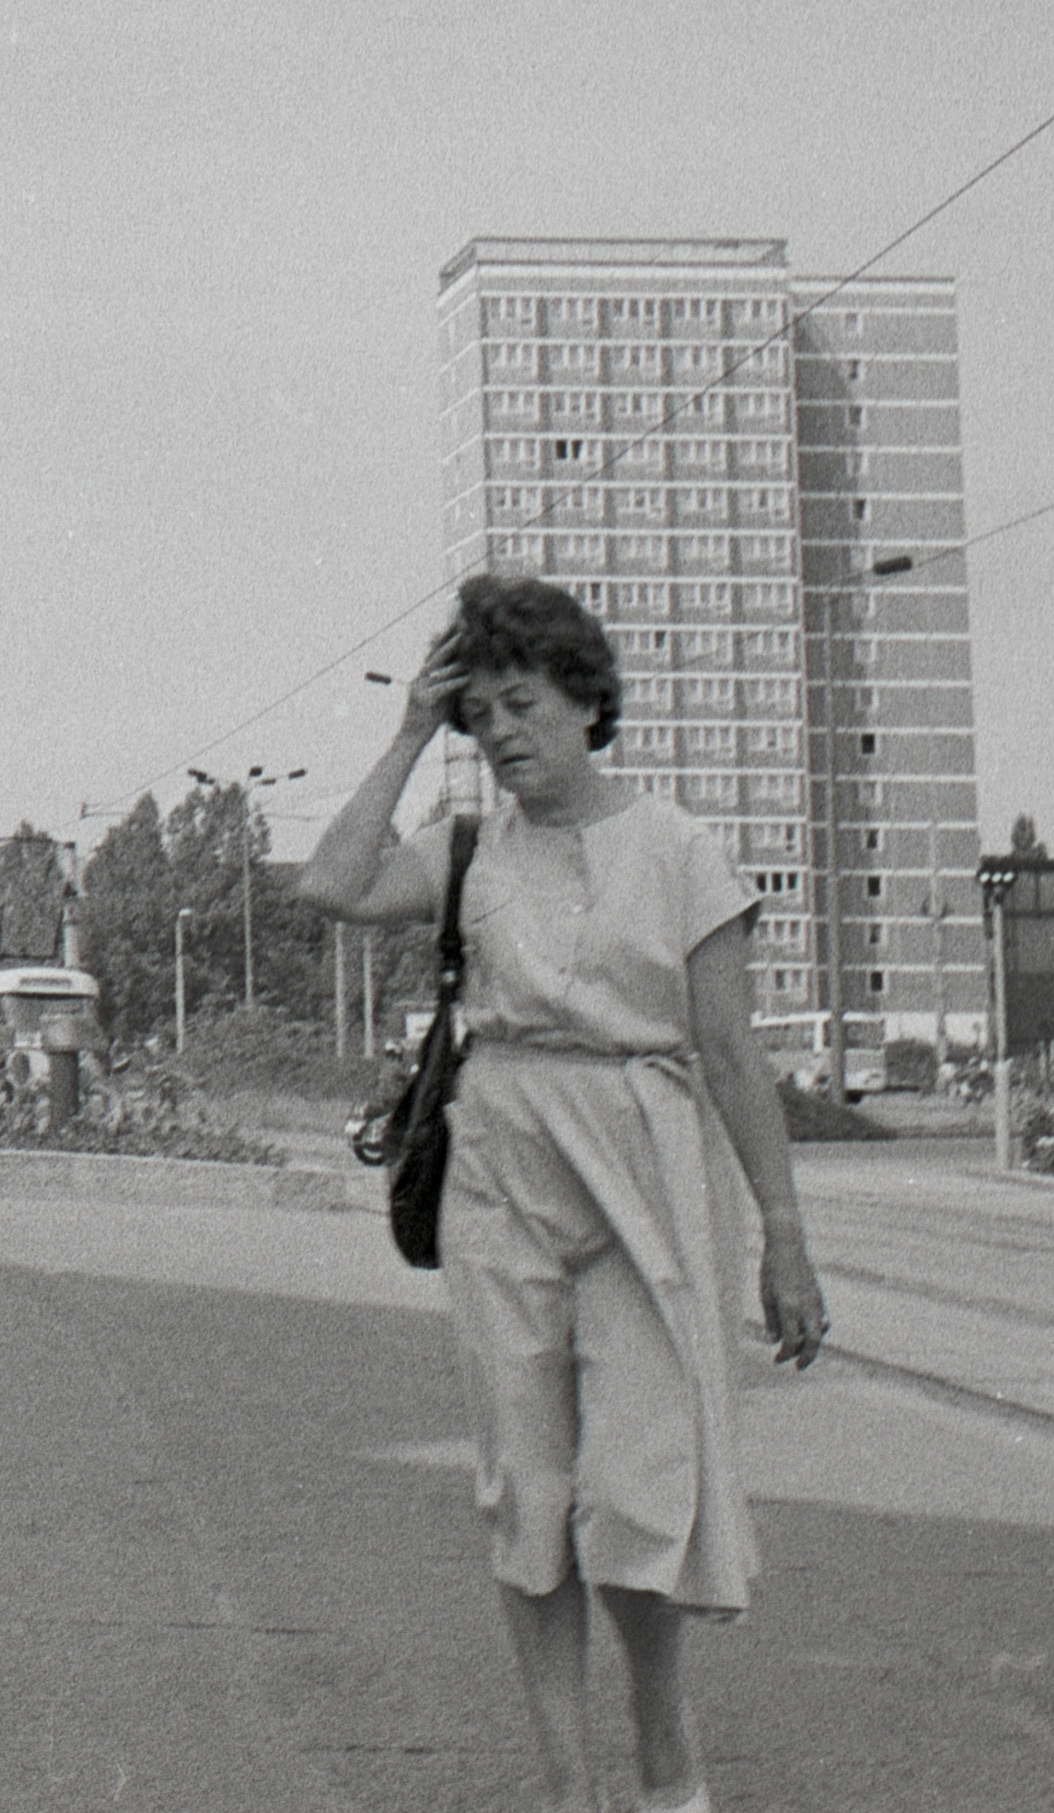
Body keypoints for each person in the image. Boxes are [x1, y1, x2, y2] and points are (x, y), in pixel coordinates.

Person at [298, 574, 827, 1813]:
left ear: (587, 701)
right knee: (524, 1490)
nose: (501, 734)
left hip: (647, 1169)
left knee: (636, 1491)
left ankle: (659, 1740)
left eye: (521, 704)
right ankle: (564, 1785)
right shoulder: (466, 848)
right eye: (479, 715)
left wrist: (784, 1235)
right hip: (501, 1169)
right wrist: (409, 729)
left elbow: (730, 1052)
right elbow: (329, 884)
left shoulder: (679, 849)